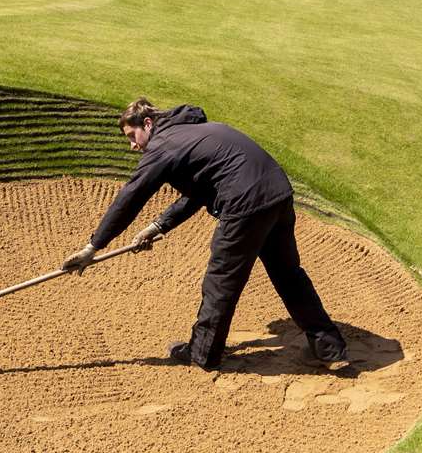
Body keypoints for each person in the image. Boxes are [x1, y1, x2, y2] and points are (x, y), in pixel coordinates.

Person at [62, 98, 348, 370]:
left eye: (131, 135)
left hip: (244, 204)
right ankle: (329, 348)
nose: (133, 145)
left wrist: (93, 246)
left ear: (147, 123)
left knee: (221, 281)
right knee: (288, 274)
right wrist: (158, 225)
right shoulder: (191, 132)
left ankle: (203, 354)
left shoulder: (163, 145)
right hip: (277, 193)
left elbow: (131, 197)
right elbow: (200, 192)